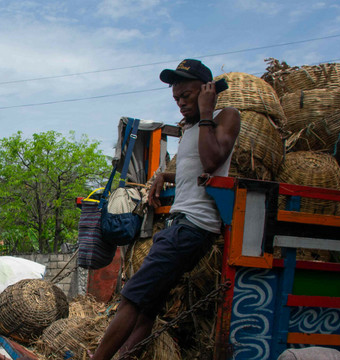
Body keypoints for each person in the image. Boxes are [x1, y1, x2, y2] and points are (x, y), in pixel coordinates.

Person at [92, 59, 240, 359]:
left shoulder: (226, 117)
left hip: (193, 227)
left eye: (187, 95)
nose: (181, 103)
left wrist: (208, 110)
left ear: (207, 90)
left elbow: (213, 162)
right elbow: (193, 169)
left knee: (132, 297)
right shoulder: (195, 127)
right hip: (178, 226)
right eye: (177, 98)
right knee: (147, 308)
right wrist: (163, 175)